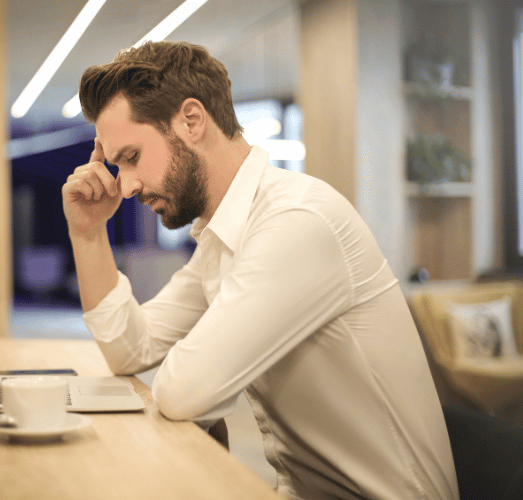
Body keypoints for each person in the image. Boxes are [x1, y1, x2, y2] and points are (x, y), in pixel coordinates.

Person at [61, 41, 458, 500]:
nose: (125, 185)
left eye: (131, 157)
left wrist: (197, 372)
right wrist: (88, 235)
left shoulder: (297, 221)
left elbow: (183, 392)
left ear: (191, 121)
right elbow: (131, 350)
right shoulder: (222, 235)